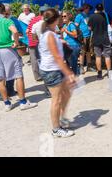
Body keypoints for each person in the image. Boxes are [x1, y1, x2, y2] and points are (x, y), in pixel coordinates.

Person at [38, 9, 76, 138]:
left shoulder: (48, 32)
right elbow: (57, 57)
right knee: (57, 99)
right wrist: (69, 73)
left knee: (67, 93)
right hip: (52, 70)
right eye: (60, 17)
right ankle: (56, 129)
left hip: (53, 69)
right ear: (56, 19)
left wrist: (61, 42)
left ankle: (62, 119)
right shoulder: (49, 34)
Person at [88, 3, 112, 80]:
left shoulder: (92, 17)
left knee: (98, 56)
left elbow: (89, 28)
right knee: (107, 56)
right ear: (102, 9)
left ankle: (99, 74)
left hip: (96, 38)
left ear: (96, 9)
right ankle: (109, 73)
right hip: (105, 38)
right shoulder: (105, 16)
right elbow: (110, 25)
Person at [25, 7, 48, 81]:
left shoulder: (33, 19)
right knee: (42, 58)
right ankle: (44, 74)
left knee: (34, 59)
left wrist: (29, 38)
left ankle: (37, 76)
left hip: (31, 41)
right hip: (39, 41)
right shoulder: (45, 20)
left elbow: (27, 30)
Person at [61, 11, 81, 75]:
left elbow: (75, 35)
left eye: (65, 16)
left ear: (69, 16)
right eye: (62, 16)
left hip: (73, 46)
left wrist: (66, 31)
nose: (63, 17)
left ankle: (76, 77)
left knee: (73, 63)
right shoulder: (64, 25)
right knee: (67, 62)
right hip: (67, 46)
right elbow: (63, 36)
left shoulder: (71, 24)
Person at [74, 4, 93, 74]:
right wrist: (79, 34)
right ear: (85, 8)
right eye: (88, 8)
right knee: (82, 52)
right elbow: (75, 26)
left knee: (88, 52)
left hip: (89, 36)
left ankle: (89, 66)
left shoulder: (88, 15)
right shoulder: (79, 16)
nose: (89, 10)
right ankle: (81, 67)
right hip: (83, 37)